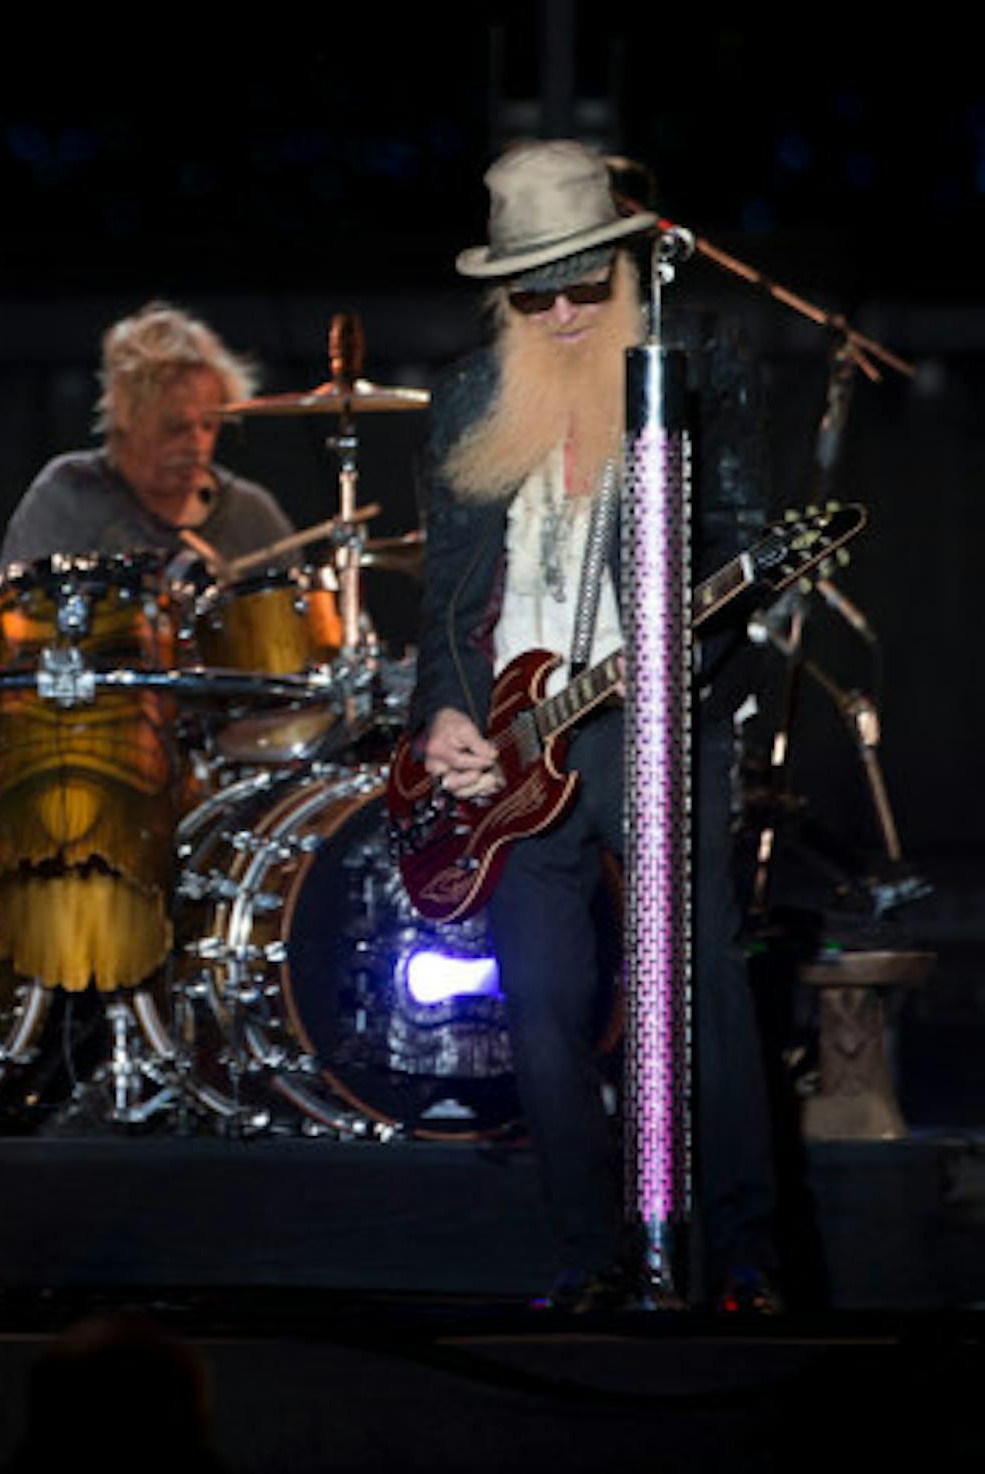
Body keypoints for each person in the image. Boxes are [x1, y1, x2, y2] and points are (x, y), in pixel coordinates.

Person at [411, 139, 780, 1312]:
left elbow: (742, 551)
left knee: (699, 979)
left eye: (583, 284)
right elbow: (447, 591)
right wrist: (443, 716)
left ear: (624, 265)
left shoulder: (692, 368)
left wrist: (669, 665)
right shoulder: (469, 399)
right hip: (514, 741)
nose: (564, 312)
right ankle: (587, 1253)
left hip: (649, 716)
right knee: (539, 997)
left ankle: (747, 1255)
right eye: (536, 295)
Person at [0, 302, 296, 572]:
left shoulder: (252, 516)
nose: (197, 444)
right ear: (125, 417)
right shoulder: (68, 496)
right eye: (175, 427)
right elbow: (16, 612)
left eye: (209, 425)